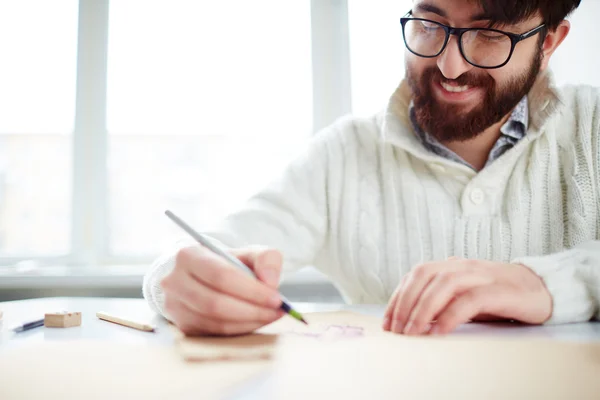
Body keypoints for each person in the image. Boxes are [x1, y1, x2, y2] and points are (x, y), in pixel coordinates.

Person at [143, 0, 600, 337]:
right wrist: (175, 284)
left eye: (490, 35)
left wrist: (541, 283)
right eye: (429, 24)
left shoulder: (592, 129)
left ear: (549, 43)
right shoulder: (344, 153)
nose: (449, 65)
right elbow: (203, 253)